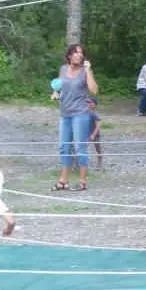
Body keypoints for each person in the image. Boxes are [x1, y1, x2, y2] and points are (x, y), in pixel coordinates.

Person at [50, 43, 98, 192]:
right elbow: (59, 87)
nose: (79, 55)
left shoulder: (85, 71)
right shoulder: (63, 69)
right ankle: (63, 181)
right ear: (70, 55)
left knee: (80, 148)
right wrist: (55, 93)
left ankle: (82, 182)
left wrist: (88, 70)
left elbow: (94, 90)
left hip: (80, 114)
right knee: (64, 147)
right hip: (65, 114)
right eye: (76, 52)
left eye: (81, 53)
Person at [87, 96, 103, 170]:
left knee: (97, 148)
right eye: (88, 102)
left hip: (95, 134)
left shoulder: (94, 114)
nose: (89, 104)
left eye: (90, 102)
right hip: (87, 134)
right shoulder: (85, 112)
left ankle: (100, 162)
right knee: (83, 147)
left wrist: (93, 134)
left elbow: (98, 125)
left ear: (94, 104)